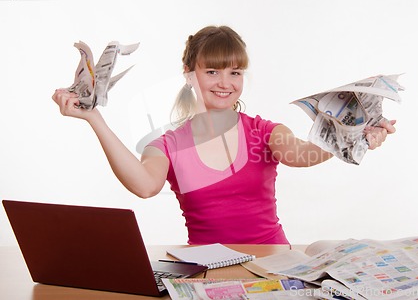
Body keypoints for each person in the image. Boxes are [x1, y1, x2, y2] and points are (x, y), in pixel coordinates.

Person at [52, 25, 396, 245]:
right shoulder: (167, 145)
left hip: (272, 266)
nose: (225, 82)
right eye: (212, 70)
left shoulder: (263, 131)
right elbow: (144, 185)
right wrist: (94, 119)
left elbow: (300, 154)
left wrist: (356, 137)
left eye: (235, 72)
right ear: (190, 75)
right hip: (207, 272)